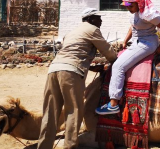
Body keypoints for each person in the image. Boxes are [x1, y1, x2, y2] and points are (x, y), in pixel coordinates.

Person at [38, 8, 117, 149]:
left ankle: (44, 146)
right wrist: (117, 60)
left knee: (50, 112)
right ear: (91, 19)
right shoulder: (92, 29)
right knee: (73, 111)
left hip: (54, 69)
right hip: (71, 73)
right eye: (98, 18)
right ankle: (70, 146)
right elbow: (109, 52)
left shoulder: (72, 32)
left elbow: (74, 52)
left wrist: (91, 66)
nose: (101, 20)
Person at [95, 0, 160, 115]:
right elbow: (133, 26)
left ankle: (113, 104)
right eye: (126, 5)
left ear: (138, 3)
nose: (127, 8)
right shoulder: (137, 12)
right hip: (138, 41)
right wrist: (125, 40)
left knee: (118, 66)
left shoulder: (149, 14)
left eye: (130, 5)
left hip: (147, 43)